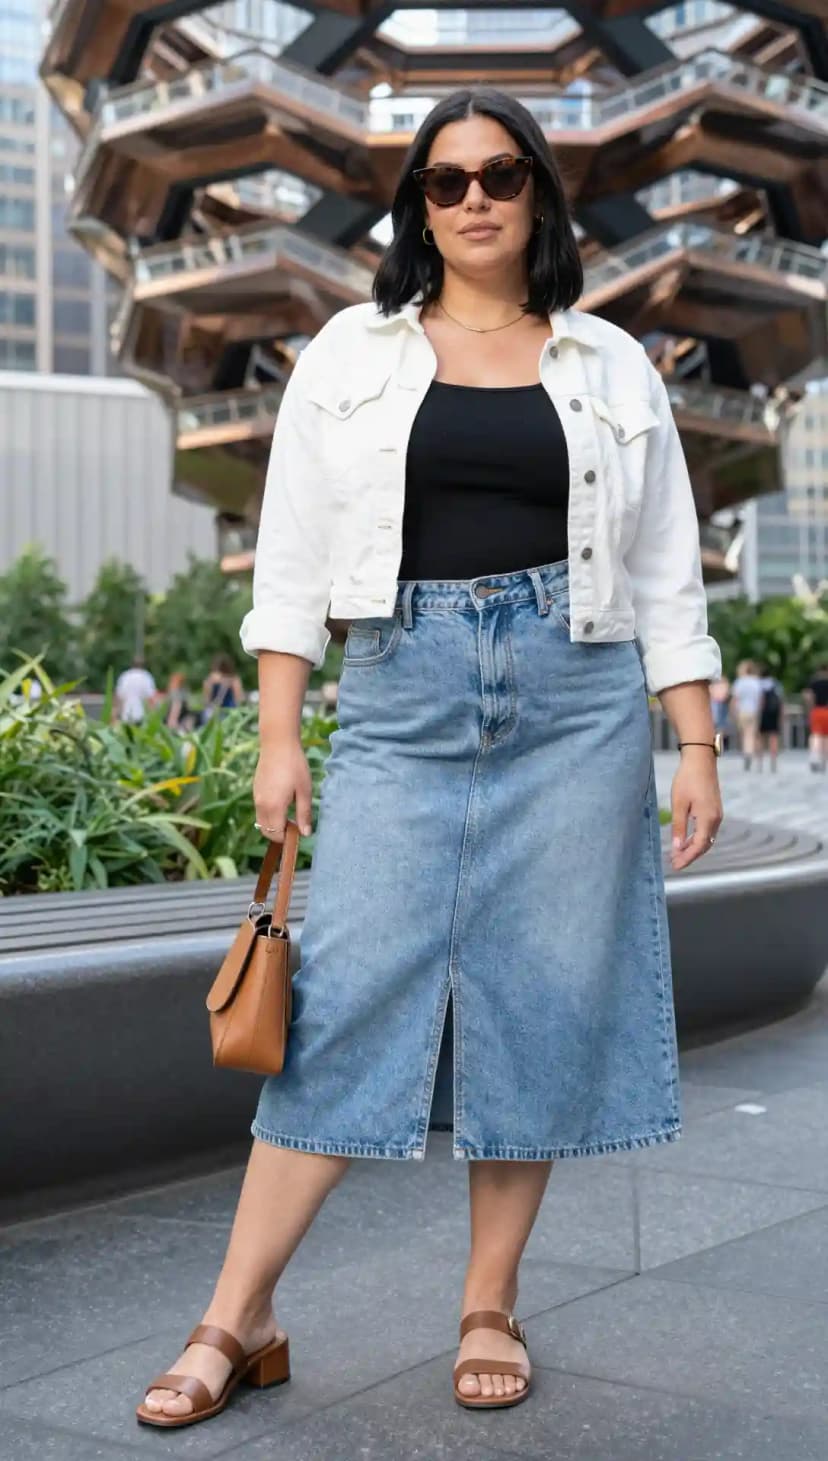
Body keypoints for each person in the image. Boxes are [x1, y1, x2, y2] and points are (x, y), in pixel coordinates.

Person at [137, 88, 723, 1428]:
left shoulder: (609, 366)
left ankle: (488, 1301)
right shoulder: (352, 353)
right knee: (336, 1002)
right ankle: (240, 1314)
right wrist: (279, 734)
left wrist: (693, 738)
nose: (473, 201)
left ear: (539, 200)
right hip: (404, 691)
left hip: (577, 701)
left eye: (501, 177)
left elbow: (664, 568)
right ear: (414, 205)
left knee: (542, 996)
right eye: (445, 181)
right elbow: (286, 560)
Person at [730, 659, 763, 770]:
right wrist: (759, 710)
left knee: (744, 734)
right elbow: (760, 699)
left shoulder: (740, 682)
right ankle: (750, 753)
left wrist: (733, 711)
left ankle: (746, 753)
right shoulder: (756, 682)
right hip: (753, 711)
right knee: (751, 734)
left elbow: (735, 699)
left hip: (742, 711)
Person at [200, 653, 244, 723]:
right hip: (229, 712)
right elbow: (239, 698)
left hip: (213, 713)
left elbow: (206, 700)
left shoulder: (210, 679)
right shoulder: (234, 679)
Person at [114, 656, 157, 725]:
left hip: (126, 714)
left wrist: (115, 713)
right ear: (143, 665)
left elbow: (118, 697)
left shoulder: (125, 676)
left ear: (132, 664)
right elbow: (151, 698)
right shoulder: (146, 677)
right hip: (141, 714)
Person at [756, 664, 783, 772]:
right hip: (773, 713)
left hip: (762, 713)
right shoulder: (776, 684)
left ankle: (760, 761)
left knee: (760, 738)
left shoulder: (758, 684)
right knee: (773, 737)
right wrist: (781, 715)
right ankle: (773, 761)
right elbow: (781, 701)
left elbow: (758, 701)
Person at [804, 661, 828, 771]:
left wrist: (810, 708)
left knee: (815, 735)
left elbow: (808, 696)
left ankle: (814, 756)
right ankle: (824, 761)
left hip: (817, 710)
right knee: (826, 737)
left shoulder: (813, 682)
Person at [709, 673, 731, 750]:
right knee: (720, 726)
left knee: (718, 726)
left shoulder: (713, 686)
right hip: (720, 705)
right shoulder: (724, 685)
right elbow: (726, 695)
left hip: (717, 705)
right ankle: (720, 745)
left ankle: (718, 745)